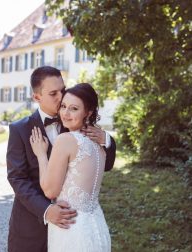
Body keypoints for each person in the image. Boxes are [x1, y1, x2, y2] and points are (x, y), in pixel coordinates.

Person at [6, 66, 116, 252]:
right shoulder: (20, 129)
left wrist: (107, 140)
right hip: (32, 226)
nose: (61, 97)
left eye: (62, 90)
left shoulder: (75, 122)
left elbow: (105, 164)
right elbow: (17, 178)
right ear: (37, 97)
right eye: (53, 93)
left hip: (73, 229)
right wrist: (47, 211)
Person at [30, 83, 111, 251]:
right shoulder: (100, 143)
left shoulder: (65, 140)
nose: (65, 113)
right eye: (63, 106)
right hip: (96, 226)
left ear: (88, 112)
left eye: (74, 109)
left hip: (71, 229)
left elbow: (50, 191)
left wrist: (41, 154)